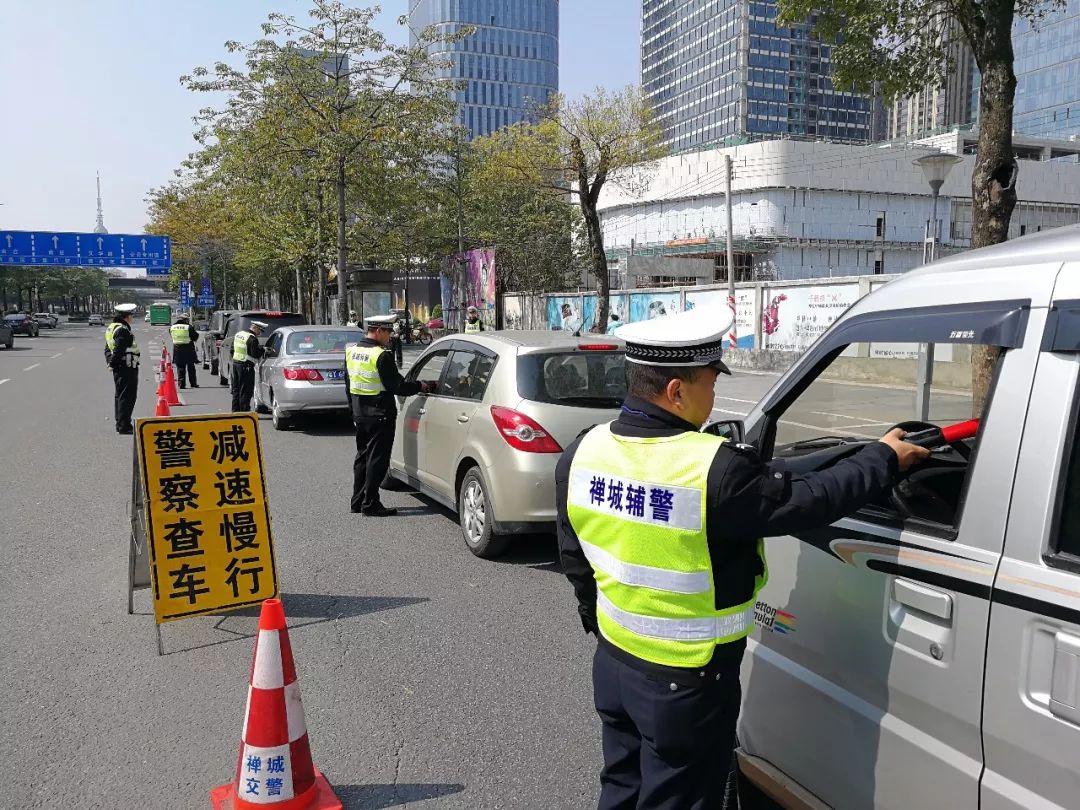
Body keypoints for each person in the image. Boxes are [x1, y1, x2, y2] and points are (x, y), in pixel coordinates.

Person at [555, 305, 930, 810]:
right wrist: (883, 458)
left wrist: (600, 625)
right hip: (685, 682)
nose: (713, 395)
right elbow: (812, 498)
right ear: (676, 391)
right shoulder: (713, 469)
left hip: (616, 665)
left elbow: (575, 560)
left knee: (621, 787)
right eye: (710, 382)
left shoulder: (583, 452)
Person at [345, 314, 435, 516]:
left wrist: (353, 411)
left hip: (360, 414)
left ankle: (357, 501)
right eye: (388, 332)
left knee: (362, 457)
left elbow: (349, 385)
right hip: (380, 415)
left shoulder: (351, 351)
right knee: (377, 460)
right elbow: (398, 386)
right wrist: (421, 385)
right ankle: (370, 504)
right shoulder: (380, 355)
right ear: (378, 331)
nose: (390, 337)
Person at [104, 303, 141, 435]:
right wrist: (113, 363)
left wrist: (110, 362)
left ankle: (120, 423)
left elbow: (108, 348)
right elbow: (119, 349)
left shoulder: (112, 328)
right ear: (126, 316)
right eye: (131, 315)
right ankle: (124, 425)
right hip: (127, 367)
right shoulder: (122, 330)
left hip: (121, 367)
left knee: (120, 396)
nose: (133, 317)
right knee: (127, 396)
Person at [230, 320, 266, 412]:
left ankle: (235, 411)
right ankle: (244, 411)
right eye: (260, 331)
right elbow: (255, 354)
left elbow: (232, 350)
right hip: (246, 367)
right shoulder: (252, 338)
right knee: (246, 390)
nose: (260, 333)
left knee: (236, 389)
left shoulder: (239, 334)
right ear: (256, 328)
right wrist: (263, 350)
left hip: (236, 364)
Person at [170, 315, 201, 389]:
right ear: (185, 320)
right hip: (188, 349)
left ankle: (181, 384)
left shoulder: (172, 327)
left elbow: (172, 336)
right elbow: (195, 336)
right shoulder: (188, 327)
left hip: (177, 349)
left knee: (180, 368)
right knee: (191, 367)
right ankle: (193, 383)